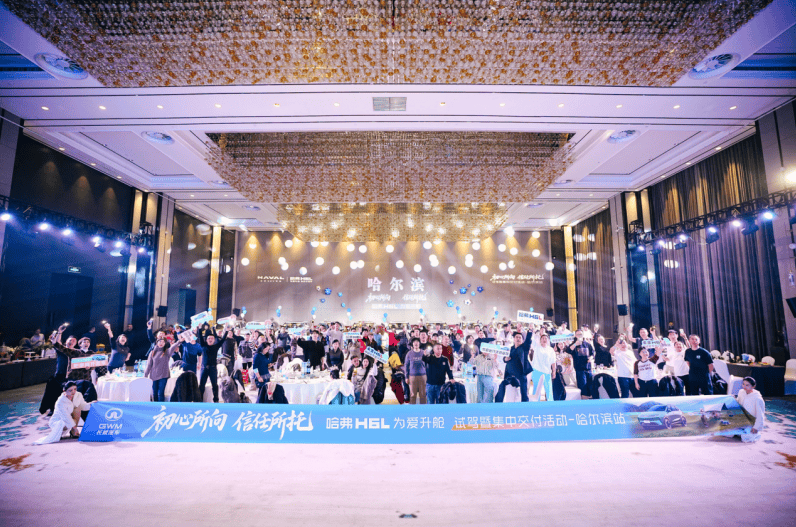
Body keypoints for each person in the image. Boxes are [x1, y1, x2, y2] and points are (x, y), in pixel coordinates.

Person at [197, 325, 227, 403]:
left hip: (213, 368)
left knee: (215, 385)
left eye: (212, 338)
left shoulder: (216, 346)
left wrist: (226, 330)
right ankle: (199, 401)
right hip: (204, 368)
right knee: (202, 385)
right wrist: (199, 328)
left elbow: (223, 339)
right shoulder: (203, 345)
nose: (210, 339)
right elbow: (200, 336)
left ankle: (216, 400)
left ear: (214, 340)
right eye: (209, 338)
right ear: (206, 340)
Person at [503, 328, 533, 402]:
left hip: (521, 374)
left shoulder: (524, 347)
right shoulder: (511, 348)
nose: (518, 339)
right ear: (514, 339)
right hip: (511, 374)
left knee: (524, 393)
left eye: (520, 337)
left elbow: (528, 341)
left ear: (522, 340)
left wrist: (530, 331)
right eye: (517, 337)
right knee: (509, 391)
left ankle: (525, 405)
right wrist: (505, 359)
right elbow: (504, 358)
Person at [735, 377, 765, 442]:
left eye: (747, 385)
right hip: (740, 418)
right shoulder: (741, 392)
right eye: (743, 384)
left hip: (750, 422)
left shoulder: (757, 398)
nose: (744, 386)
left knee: (746, 437)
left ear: (753, 386)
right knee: (726, 430)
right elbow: (737, 404)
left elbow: (760, 414)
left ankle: (754, 433)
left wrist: (756, 427)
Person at [567, 329, 594, 398]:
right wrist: (575, 344)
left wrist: (590, 358)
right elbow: (568, 350)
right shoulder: (573, 344)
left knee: (590, 386)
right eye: (578, 334)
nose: (579, 336)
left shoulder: (587, 344)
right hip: (580, 370)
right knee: (583, 387)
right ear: (575, 335)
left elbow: (592, 353)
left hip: (588, 369)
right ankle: (584, 400)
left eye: (581, 334)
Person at [530, 331, 556, 401]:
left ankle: (550, 403)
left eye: (545, 338)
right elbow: (533, 339)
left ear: (548, 340)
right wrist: (533, 331)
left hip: (547, 372)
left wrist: (554, 371)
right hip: (536, 371)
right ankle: (535, 403)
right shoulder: (536, 347)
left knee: (549, 389)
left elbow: (553, 361)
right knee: (536, 389)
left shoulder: (551, 350)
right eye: (543, 338)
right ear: (540, 340)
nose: (544, 339)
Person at [145, 337, 171, 402]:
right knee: (155, 393)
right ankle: (155, 406)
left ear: (165, 344)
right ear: (157, 343)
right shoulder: (152, 352)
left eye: (163, 342)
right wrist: (145, 375)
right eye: (160, 341)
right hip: (154, 375)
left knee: (161, 393)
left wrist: (179, 341)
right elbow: (149, 365)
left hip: (164, 375)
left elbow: (173, 347)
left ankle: (161, 406)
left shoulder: (167, 351)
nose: (161, 343)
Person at [404, 338, 427, 404]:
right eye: (414, 342)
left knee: (423, 394)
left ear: (419, 343)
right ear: (412, 344)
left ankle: (423, 409)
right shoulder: (409, 353)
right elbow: (406, 365)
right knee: (412, 395)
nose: (416, 343)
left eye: (417, 342)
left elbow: (427, 364)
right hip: (412, 376)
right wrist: (406, 377)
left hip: (423, 376)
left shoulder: (423, 352)